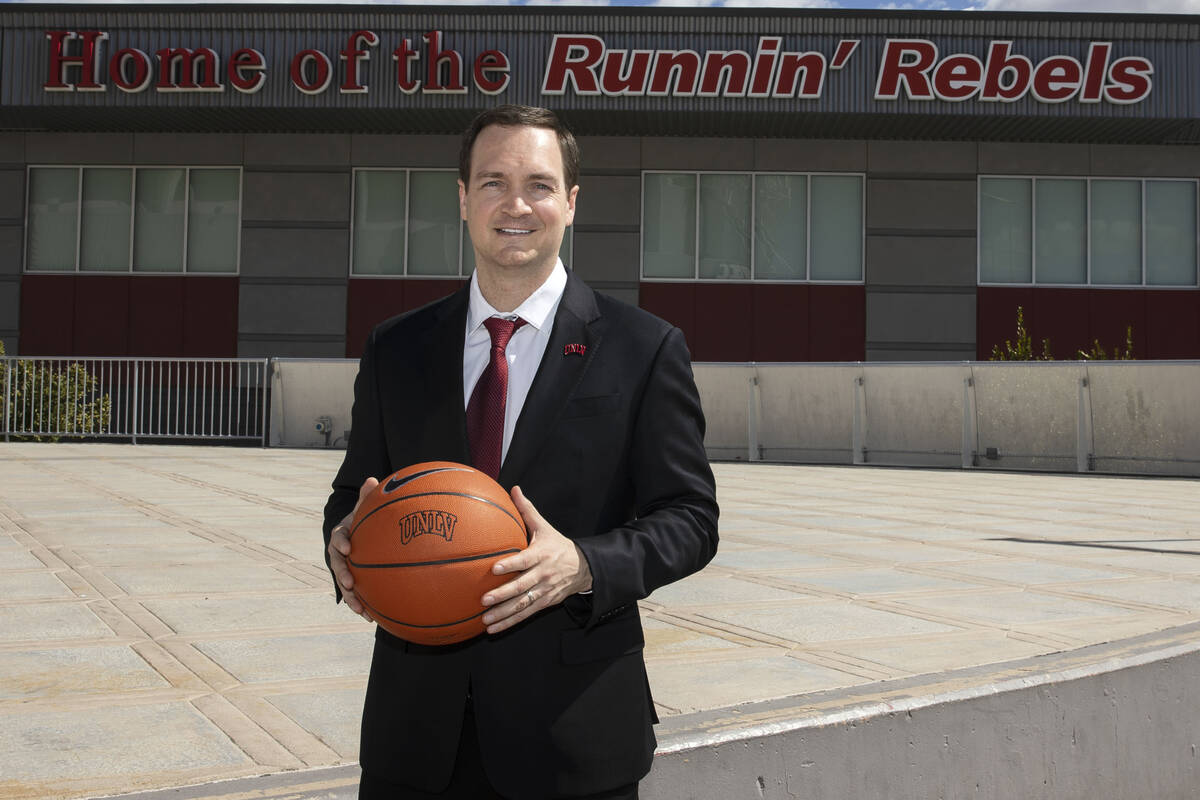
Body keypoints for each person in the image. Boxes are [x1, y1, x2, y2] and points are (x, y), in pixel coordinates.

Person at [323, 104, 718, 800]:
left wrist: (584, 564)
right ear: (463, 199)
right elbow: (356, 490)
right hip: (414, 737)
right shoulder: (397, 347)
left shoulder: (644, 347)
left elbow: (689, 518)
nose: (515, 203)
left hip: (574, 737)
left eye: (538, 184)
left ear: (570, 202)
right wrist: (343, 542)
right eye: (492, 182)